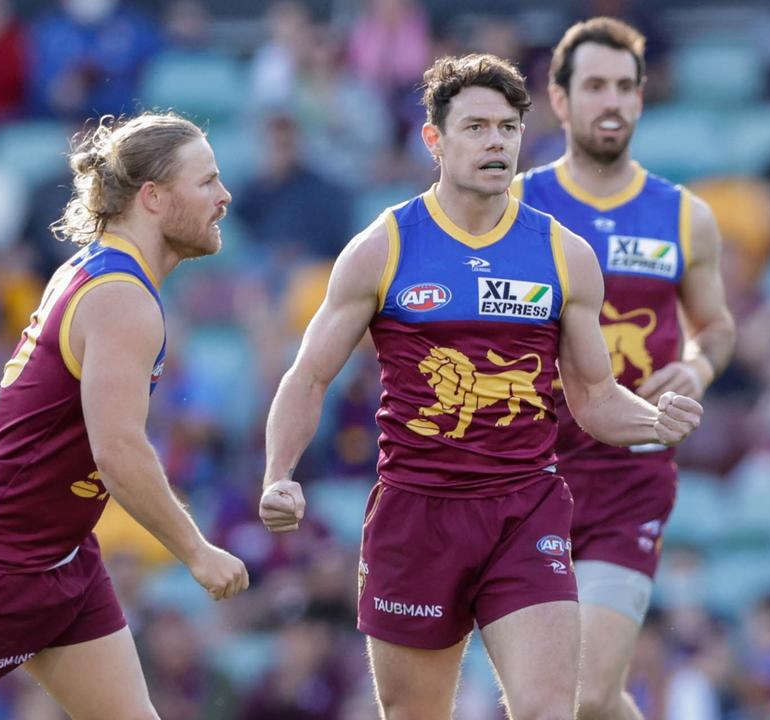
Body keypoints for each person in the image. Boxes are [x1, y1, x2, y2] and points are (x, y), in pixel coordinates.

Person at [259, 54, 703, 720]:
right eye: (475, 127)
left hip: (525, 510)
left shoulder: (563, 254)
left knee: (554, 709)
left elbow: (593, 398)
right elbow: (310, 375)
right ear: (434, 140)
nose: (495, 141)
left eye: (507, 127)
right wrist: (277, 474)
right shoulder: (383, 248)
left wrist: (653, 421)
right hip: (416, 516)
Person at [0, 111, 249, 719]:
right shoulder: (122, 297)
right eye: (206, 181)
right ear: (152, 197)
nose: (224, 196)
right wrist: (197, 551)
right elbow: (118, 451)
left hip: (62, 556)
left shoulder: (98, 268)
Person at [510, 18, 737, 720]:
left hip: (629, 474)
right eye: (595, 86)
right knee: (556, 703)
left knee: (579, 695)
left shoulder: (683, 216)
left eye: (624, 87)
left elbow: (717, 327)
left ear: (642, 99)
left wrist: (696, 371)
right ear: (560, 98)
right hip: (527, 473)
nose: (611, 101)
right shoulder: (516, 204)